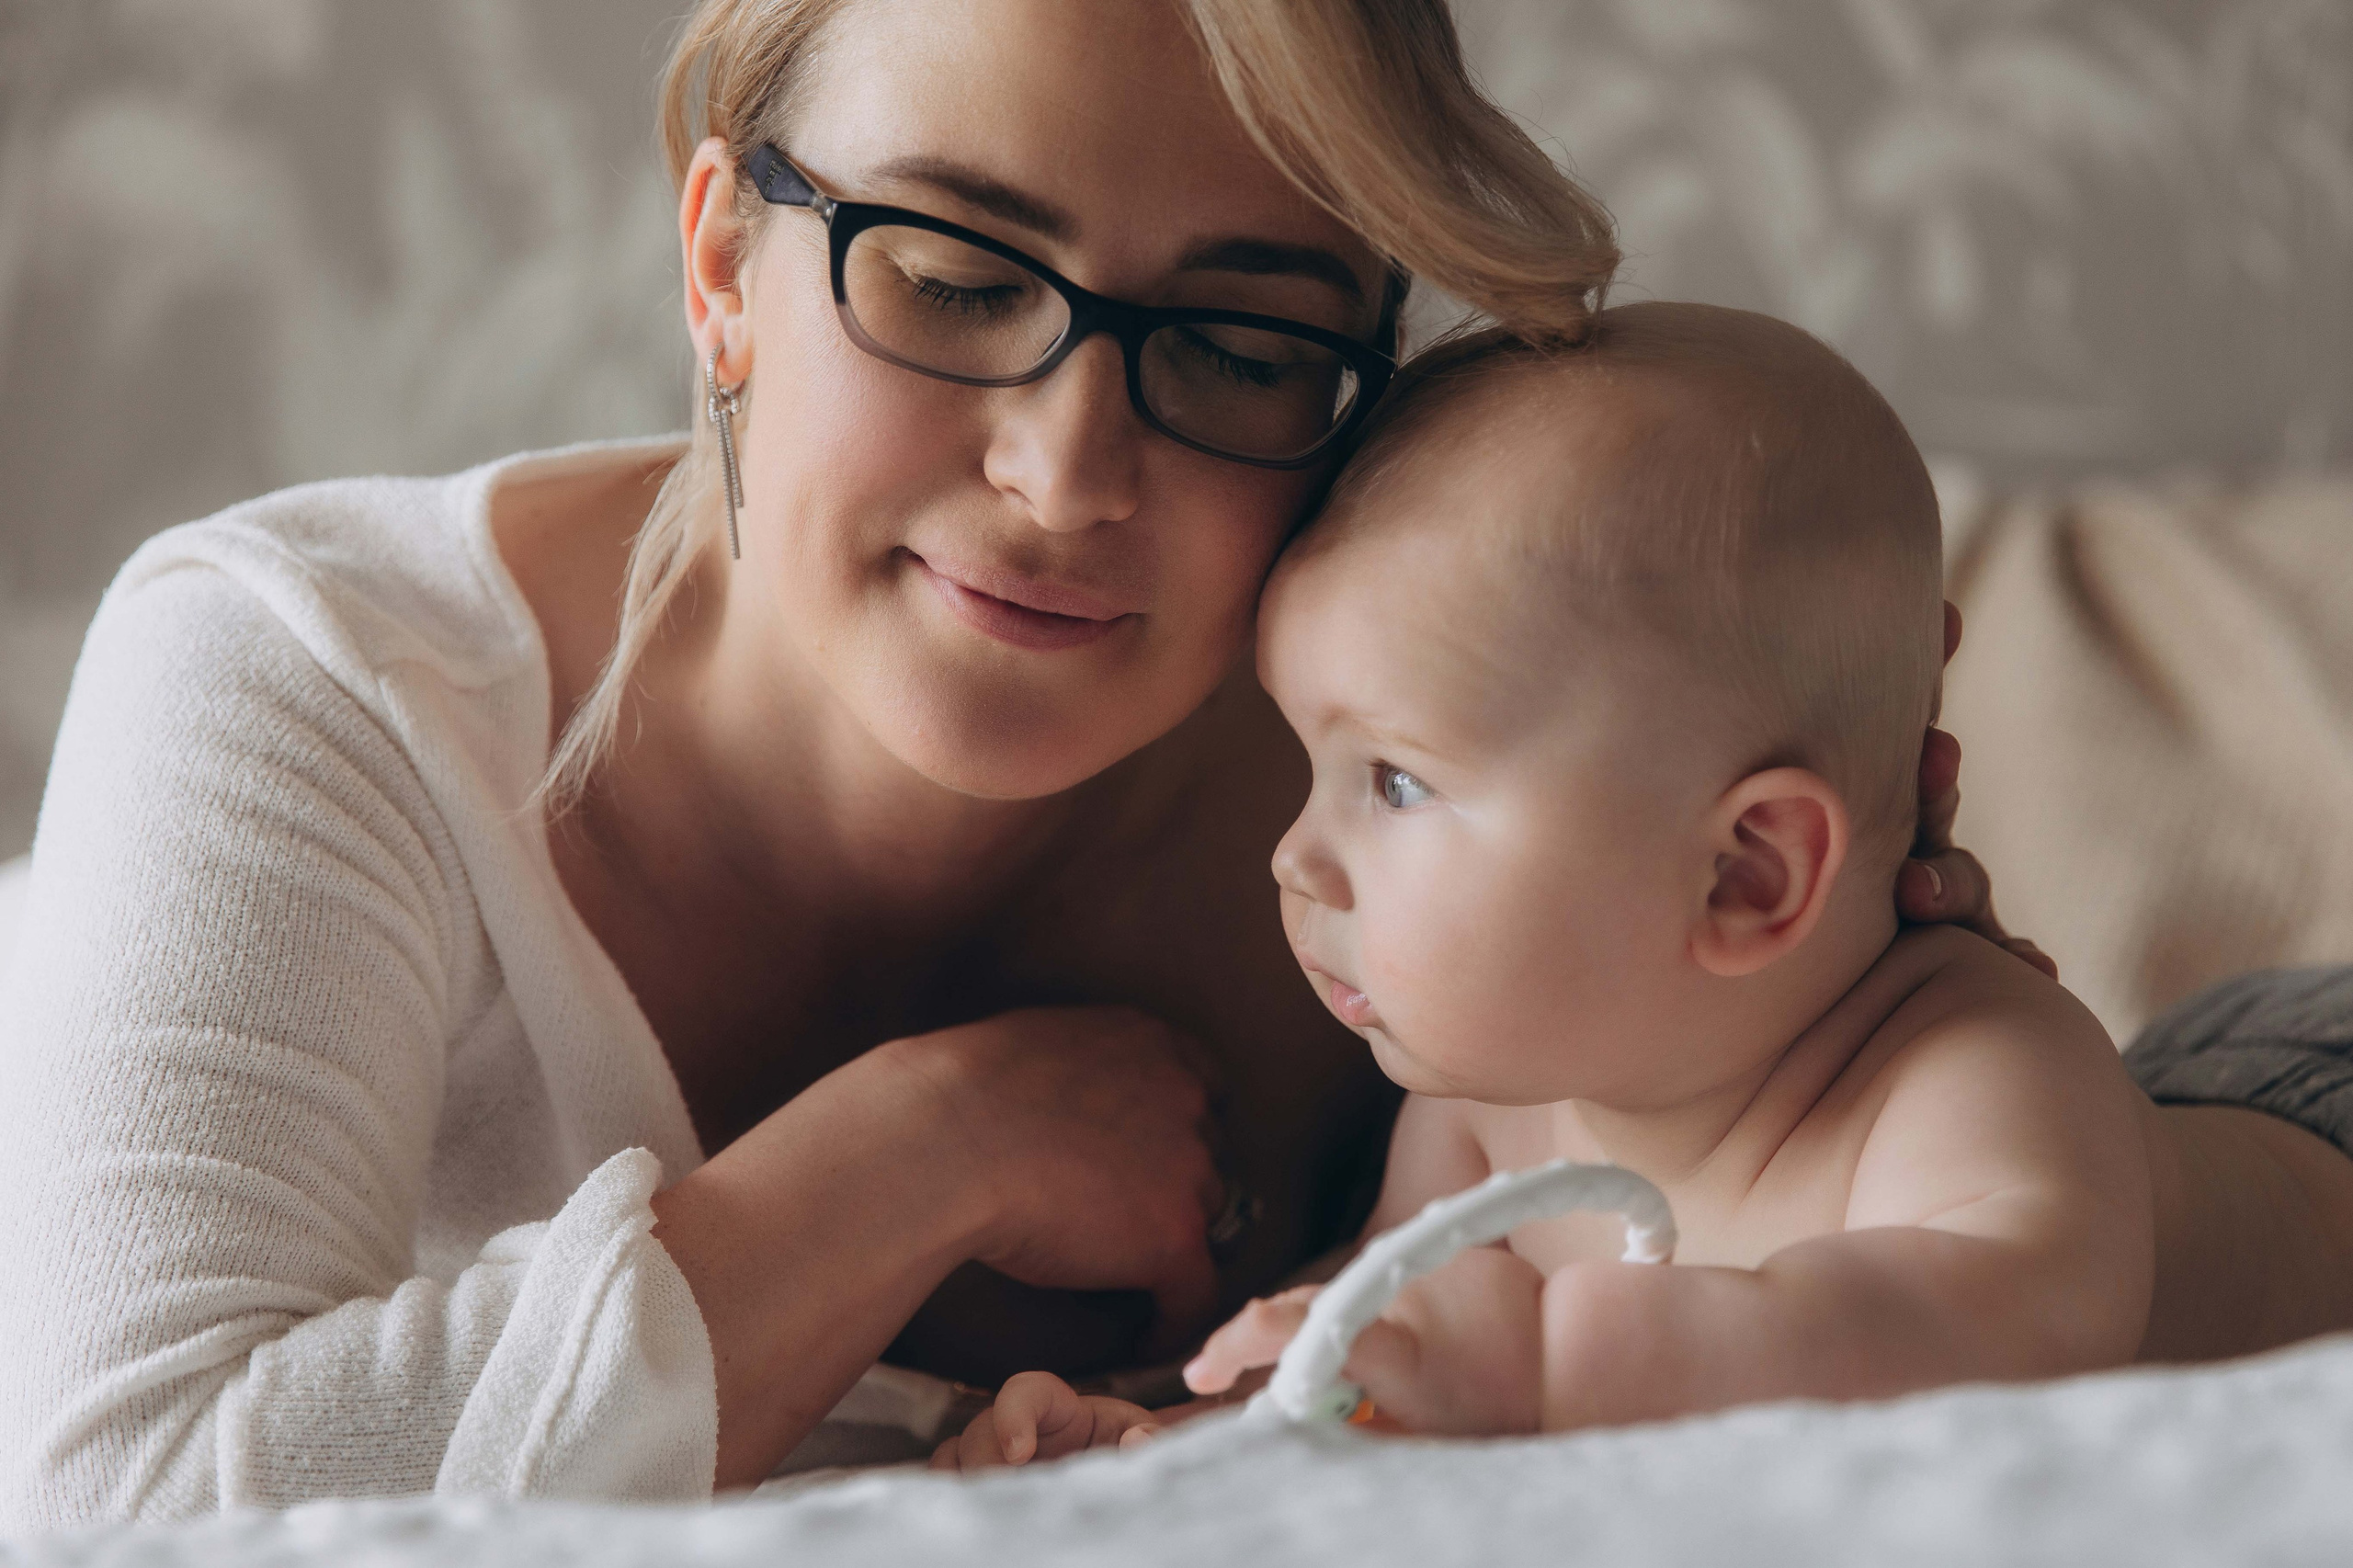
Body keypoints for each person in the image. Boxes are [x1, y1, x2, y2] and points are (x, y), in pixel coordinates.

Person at [1, 0, 2347, 1530]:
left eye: (1232, 338)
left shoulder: (1373, 725)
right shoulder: (307, 686)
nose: (1064, 468)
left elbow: (1827, 1145)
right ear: (721, 256)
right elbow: (127, 1507)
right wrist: (914, 1156)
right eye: (945, 269)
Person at [940, 302, 2167, 1464]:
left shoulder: (1967, 1073)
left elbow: (2004, 1339)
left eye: (1397, 782)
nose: (1295, 856)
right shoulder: (1488, 1112)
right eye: (1314, 767)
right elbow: (1369, 1360)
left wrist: (1546, 1358)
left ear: (1743, 875)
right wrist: (1157, 1436)